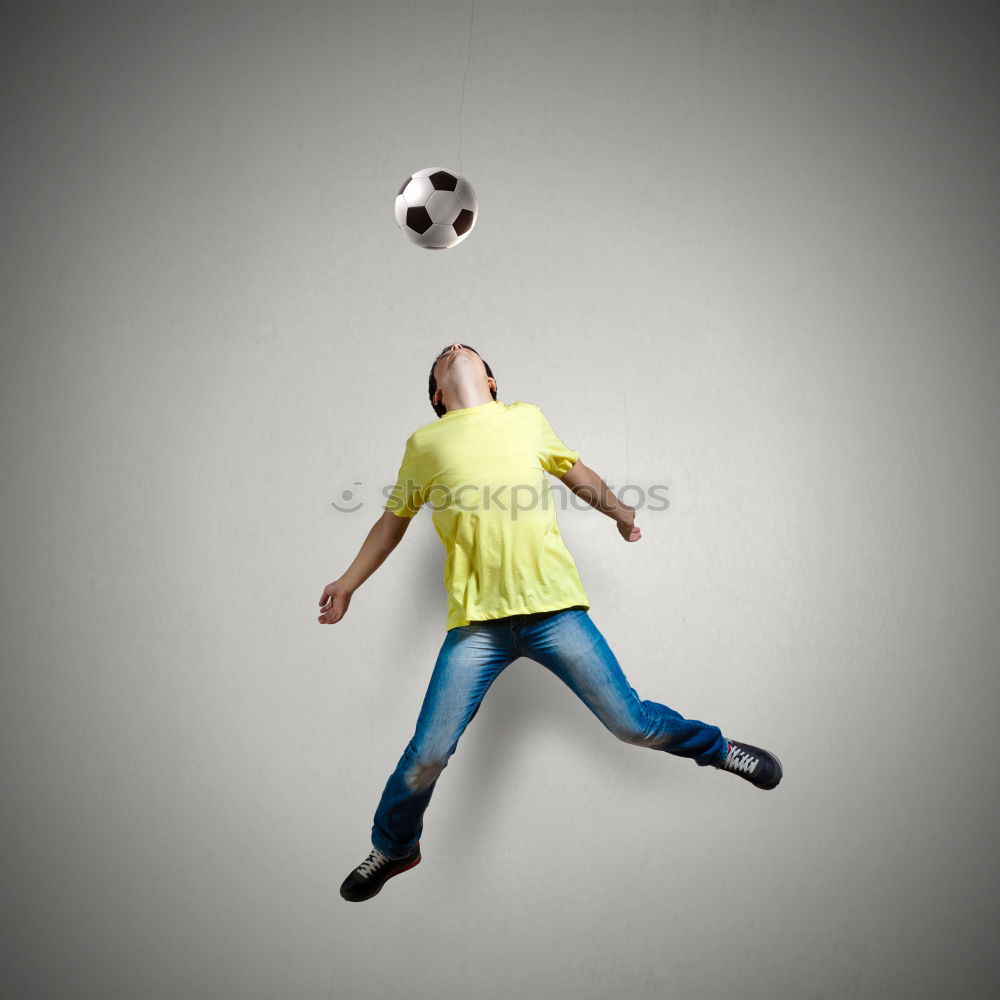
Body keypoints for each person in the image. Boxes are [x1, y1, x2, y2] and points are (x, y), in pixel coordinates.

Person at [318, 343, 782, 902]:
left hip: (553, 611)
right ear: (438, 396)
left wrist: (619, 512)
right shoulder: (425, 443)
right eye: (444, 357)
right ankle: (394, 848)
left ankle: (717, 747)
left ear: (492, 382)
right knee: (428, 755)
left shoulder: (525, 418)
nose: (456, 350)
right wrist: (347, 583)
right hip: (477, 627)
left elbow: (576, 473)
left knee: (630, 723)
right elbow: (392, 523)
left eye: (469, 353)